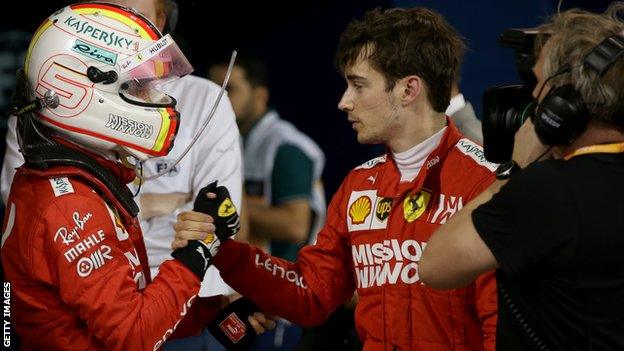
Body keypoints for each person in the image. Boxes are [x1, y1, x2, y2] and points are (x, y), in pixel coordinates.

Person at [176, 7, 499, 350]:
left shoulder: (485, 182)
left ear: (408, 90)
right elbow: (311, 293)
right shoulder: (358, 185)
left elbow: (501, 322)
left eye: (358, 85)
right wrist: (224, 250)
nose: (344, 102)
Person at [0, 3, 270, 350]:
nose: (156, 99)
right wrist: (196, 254)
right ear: (78, 91)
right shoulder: (69, 204)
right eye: (138, 88)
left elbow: (125, 309)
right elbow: (132, 336)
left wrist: (212, 313)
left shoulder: (76, 180)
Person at [420, 4, 624, 350]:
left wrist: (515, 169)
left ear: (566, 105)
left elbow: (435, 266)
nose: (532, 97)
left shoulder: (550, 191)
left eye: (540, 84)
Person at [209, 54, 326, 350]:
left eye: (229, 89)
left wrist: (230, 206)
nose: (218, 98)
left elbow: (296, 226)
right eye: (213, 88)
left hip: (281, 302)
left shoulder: (284, 145)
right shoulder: (232, 140)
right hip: (245, 295)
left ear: (259, 95)